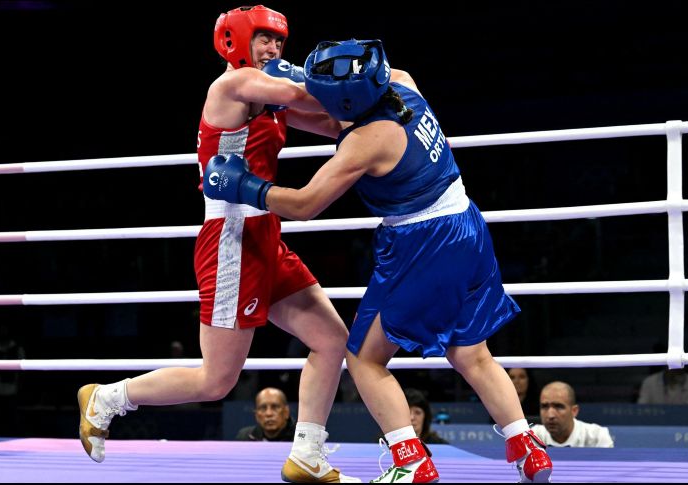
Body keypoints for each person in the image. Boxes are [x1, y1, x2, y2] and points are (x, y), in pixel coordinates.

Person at [203, 38, 553, 483]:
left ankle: (411, 461)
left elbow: (305, 203)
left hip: (423, 243)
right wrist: (289, 97)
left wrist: (246, 187)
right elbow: (335, 117)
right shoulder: (403, 84)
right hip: (467, 225)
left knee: (364, 359)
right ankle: (527, 448)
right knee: (471, 352)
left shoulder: (367, 142)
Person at [77, 7, 359, 483]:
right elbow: (298, 90)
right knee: (217, 380)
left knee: (332, 340)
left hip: (265, 234)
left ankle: (308, 454)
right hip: (232, 241)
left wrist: (374, 118)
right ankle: (108, 397)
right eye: (264, 40)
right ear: (237, 41)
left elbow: (332, 124)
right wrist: (365, 78)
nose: (273, 50)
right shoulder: (230, 86)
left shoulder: (267, 94)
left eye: (278, 43)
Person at [532, 381, 614, 447]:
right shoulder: (532, 437)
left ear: (574, 411)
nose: (550, 415)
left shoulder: (597, 437)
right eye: (544, 406)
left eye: (558, 407)